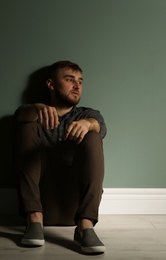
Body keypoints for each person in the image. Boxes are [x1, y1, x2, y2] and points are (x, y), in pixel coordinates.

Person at [13, 60, 107, 254]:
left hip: (75, 207)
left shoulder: (88, 114)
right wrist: (38, 109)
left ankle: (85, 228)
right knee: (27, 126)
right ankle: (34, 221)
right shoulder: (32, 113)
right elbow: (20, 116)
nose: (77, 86)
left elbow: (100, 125)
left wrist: (88, 124)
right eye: (69, 79)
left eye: (80, 81)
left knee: (93, 135)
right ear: (51, 84)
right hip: (40, 205)